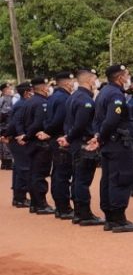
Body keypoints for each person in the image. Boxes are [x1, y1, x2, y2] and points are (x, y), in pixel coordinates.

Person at [88, 64, 133, 233]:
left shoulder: (104, 92)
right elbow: (111, 120)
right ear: (120, 78)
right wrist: (101, 137)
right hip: (118, 144)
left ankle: (111, 218)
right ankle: (119, 220)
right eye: (127, 75)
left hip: (109, 144)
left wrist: (99, 137)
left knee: (109, 180)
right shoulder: (115, 94)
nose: (128, 77)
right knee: (121, 178)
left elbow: (97, 119)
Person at [67, 67, 104, 225]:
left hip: (77, 143)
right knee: (82, 181)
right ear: (89, 80)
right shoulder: (86, 101)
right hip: (84, 144)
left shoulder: (74, 96)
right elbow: (80, 125)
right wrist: (70, 137)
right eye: (95, 78)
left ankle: (78, 213)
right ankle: (84, 214)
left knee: (77, 179)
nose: (96, 82)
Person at [12, 77, 51, 214]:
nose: (48, 88)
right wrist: (27, 136)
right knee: (39, 174)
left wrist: (23, 135)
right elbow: (38, 123)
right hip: (38, 141)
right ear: (42, 88)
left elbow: (19, 122)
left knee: (32, 172)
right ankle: (41, 204)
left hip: (30, 142)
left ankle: (34, 203)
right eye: (46, 86)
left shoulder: (27, 102)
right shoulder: (41, 103)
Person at [44, 69, 76, 220]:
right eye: (71, 81)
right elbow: (59, 120)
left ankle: (60, 207)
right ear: (67, 83)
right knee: (62, 174)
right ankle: (63, 208)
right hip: (61, 139)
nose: (73, 84)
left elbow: (48, 121)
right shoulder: (64, 98)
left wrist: (47, 132)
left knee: (58, 173)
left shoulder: (53, 97)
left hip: (55, 139)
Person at [0, 81, 12, 173]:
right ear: (4, 90)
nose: (10, 90)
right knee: (6, 144)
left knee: (2, 144)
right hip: (5, 125)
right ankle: (7, 163)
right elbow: (5, 112)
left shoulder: (2, 98)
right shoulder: (6, 99)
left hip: (2, 125)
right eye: (8, 89)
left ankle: (4, 163)